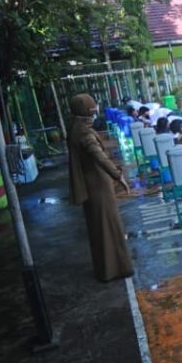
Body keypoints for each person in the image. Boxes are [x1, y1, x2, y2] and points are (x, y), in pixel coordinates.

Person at [67, 93, 134, 282]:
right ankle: (116, 269)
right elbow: (100, 157)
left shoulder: (75, 127)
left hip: (91, 184)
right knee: (109, 227)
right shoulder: (85, 132)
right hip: (98, 185)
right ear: (86, 111)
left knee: (99, 228)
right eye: (92, 109)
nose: (95, 112)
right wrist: (118, 175)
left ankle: (106, 269)